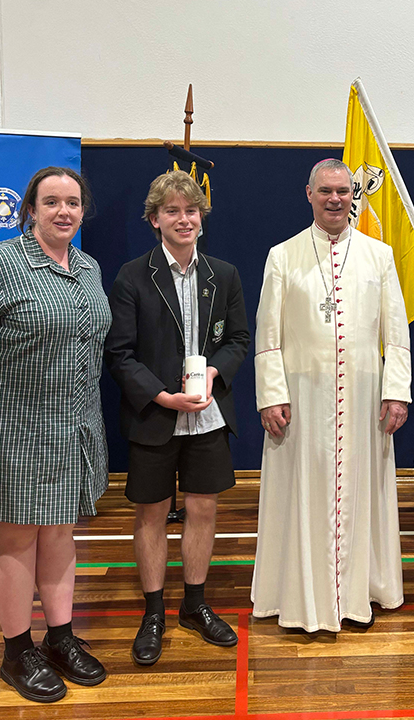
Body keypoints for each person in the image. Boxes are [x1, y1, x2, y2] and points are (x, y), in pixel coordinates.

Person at [0, 167, 111, 702]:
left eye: (74, 202)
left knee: (60, 534)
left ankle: (59, 638)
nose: (64, 211)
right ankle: (17, 652)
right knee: (16, 538)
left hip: (76, 425)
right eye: (52, 202)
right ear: (29, 211)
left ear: (84, 211)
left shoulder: (88, 268)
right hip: (12, 428)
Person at [251, 158, 411, 632]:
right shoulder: (283, 255)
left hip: (364, 398)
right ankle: (297, 595)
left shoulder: (378, 256)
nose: (335, 199)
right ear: (309, 194)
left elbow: (397, 333)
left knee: (362, 487)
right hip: (302, 399)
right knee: (301, 488)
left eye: (343, 191)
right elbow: (268, 335)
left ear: (352, 195)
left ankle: (362, 591)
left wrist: (396, 391)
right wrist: (270, 395)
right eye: (325, 191)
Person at [105, 170, 250, 665]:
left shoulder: (224, 274)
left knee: (203, 509)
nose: (183, 219)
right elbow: (120, 354)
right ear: (155, 220)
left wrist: (214, 374)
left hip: (207, 415)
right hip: (154, 415)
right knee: (150, 512)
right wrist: (161, 396)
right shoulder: (131, 275)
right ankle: (153, 612)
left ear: (201, 219)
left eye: (191, 211)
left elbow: (238, 342)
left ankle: (194, 604)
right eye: (172, 211)